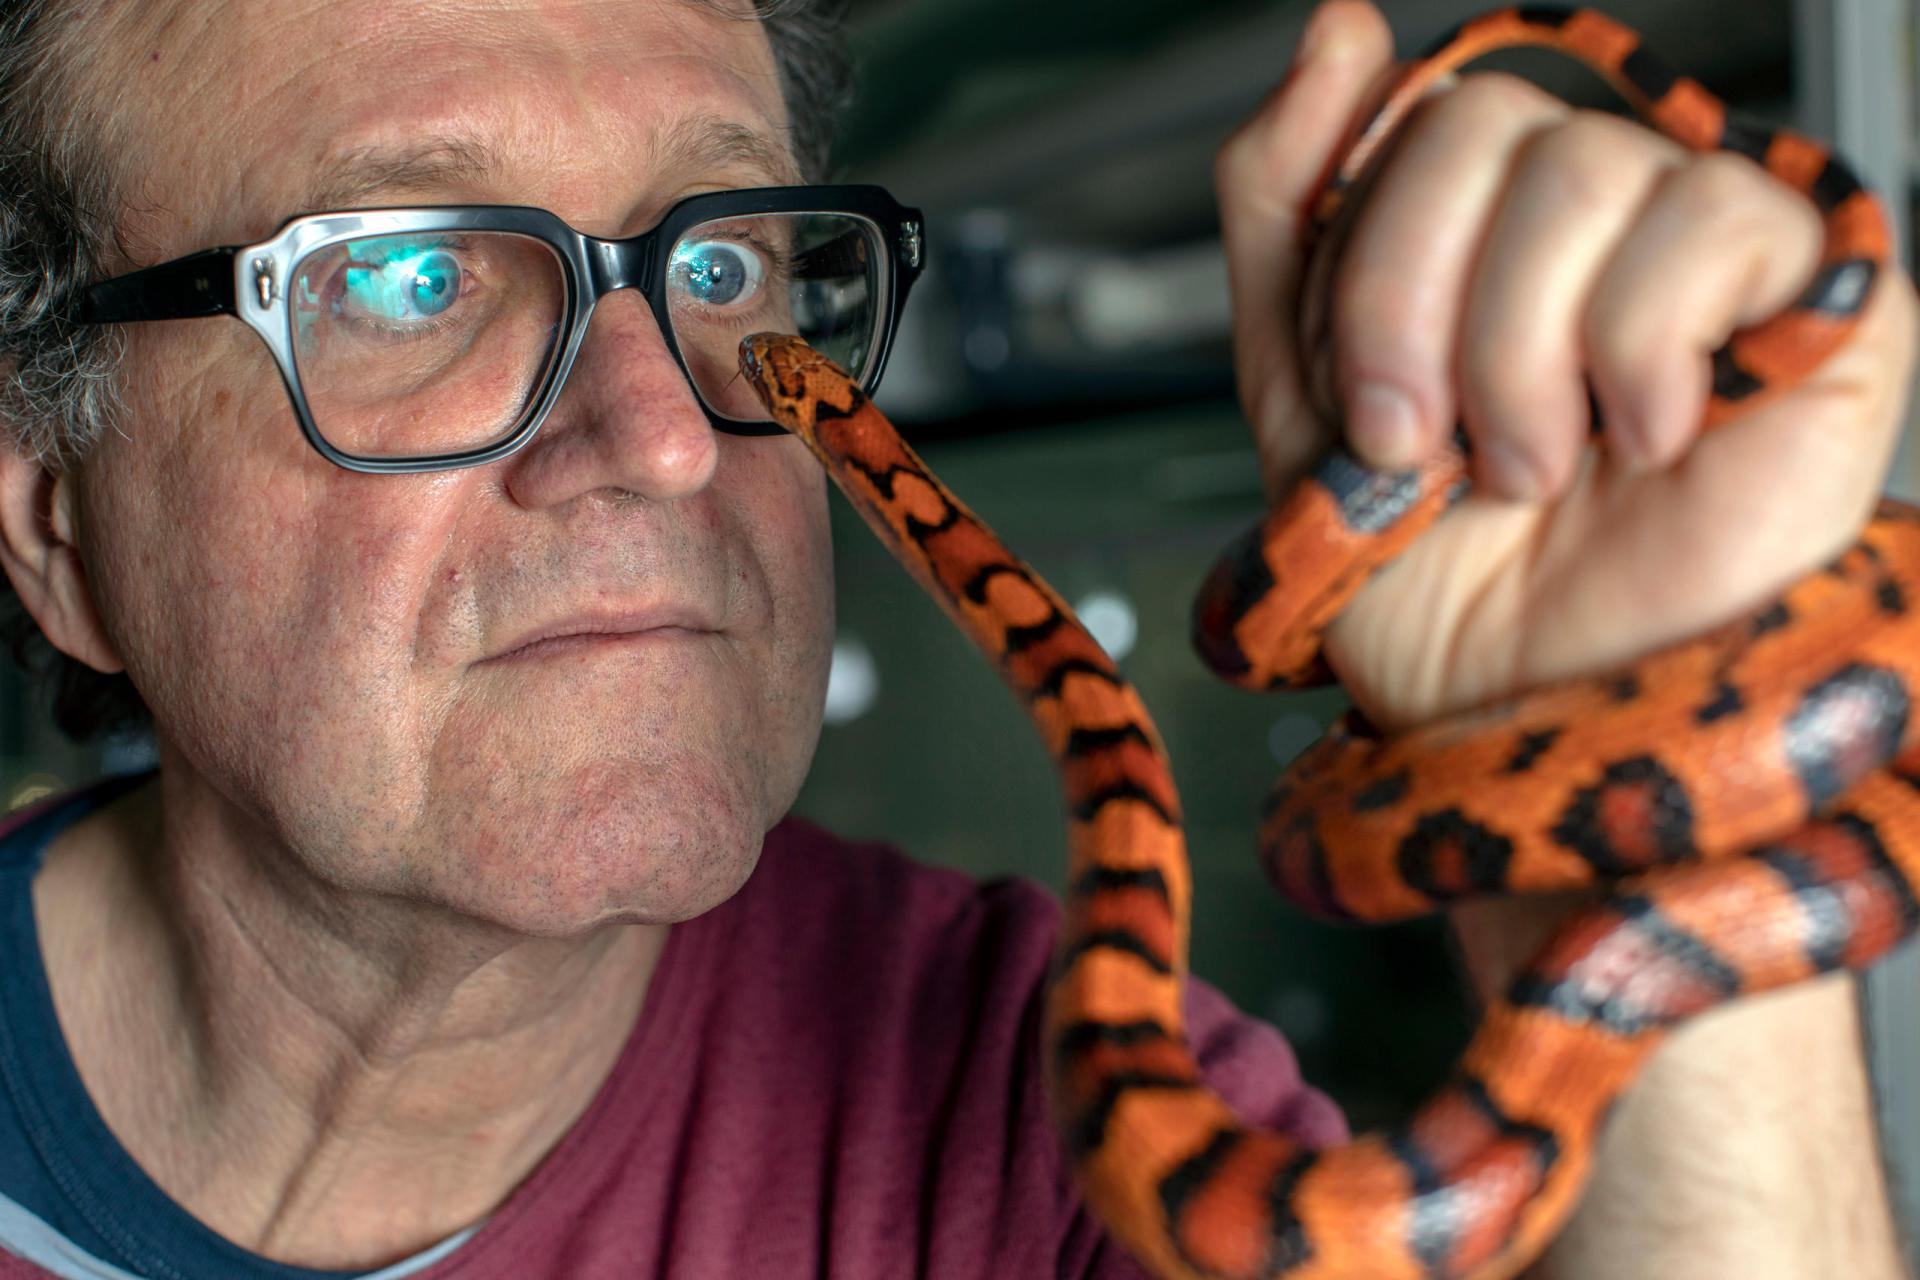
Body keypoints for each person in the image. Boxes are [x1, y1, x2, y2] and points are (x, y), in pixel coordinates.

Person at [0, 0, 1910, 1275]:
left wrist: (1619, 766)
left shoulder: (1072, 1126)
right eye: (406, 274)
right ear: (54, 524)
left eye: (724, 263)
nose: (667, 433)